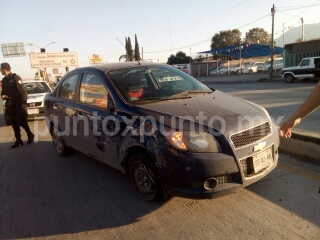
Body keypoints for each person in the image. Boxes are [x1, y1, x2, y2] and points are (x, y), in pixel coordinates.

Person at [1, 63, 34, 148]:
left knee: (21, 121)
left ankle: (30, 135)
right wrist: (3, 95)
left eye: (1, 69)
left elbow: (23, 91)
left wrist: (24, 102)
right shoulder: (4, 80)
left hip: (18, 103)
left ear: (5, 69)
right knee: (14, 122)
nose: (0, 71)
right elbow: (3, 92)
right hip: (10, 103)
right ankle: (18, 140)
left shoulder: (16, 78)